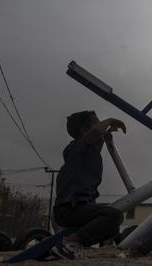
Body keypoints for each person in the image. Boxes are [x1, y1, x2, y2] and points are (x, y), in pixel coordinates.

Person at [50, 111, 126, 260]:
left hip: (78, 207)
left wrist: (107, 132)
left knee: (113, 228)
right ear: (85, 131)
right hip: (69, 209)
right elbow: (96, 132)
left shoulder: (89, 150)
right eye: (97, 124)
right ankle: (69, 244)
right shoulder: (77, 147)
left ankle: (74, 246)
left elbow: (97, 138)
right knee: (114, 215)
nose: (101, 129)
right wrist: (110, 120)